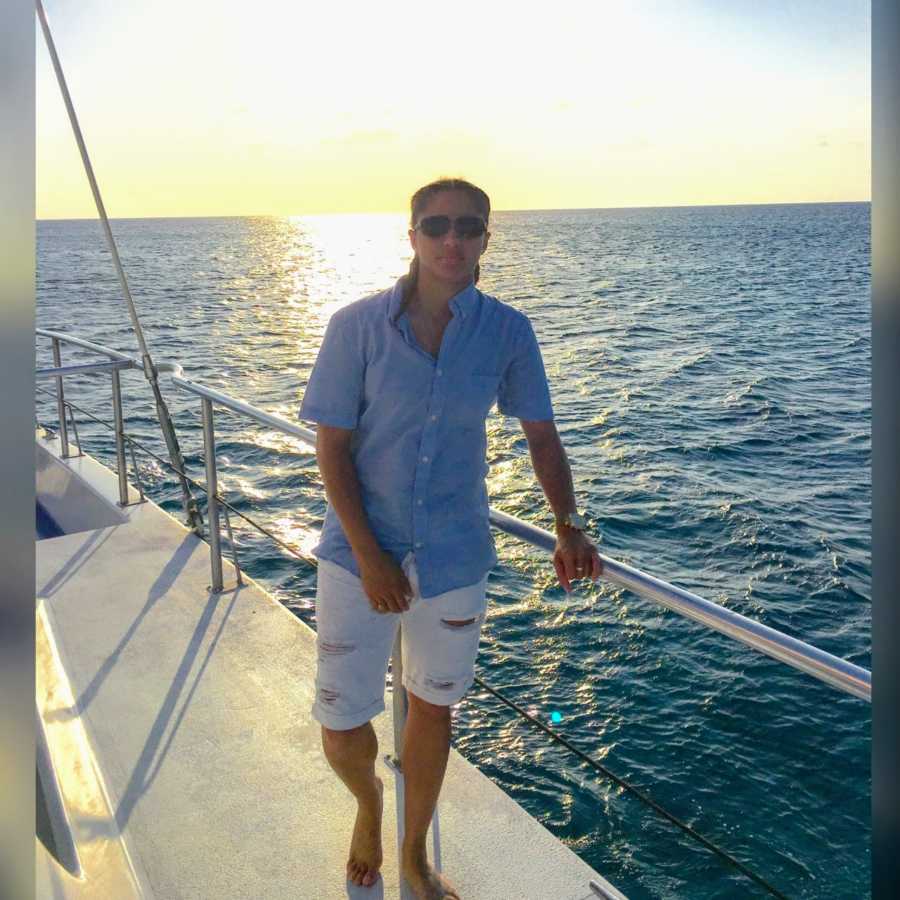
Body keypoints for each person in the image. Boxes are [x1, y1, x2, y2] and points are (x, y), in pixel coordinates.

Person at [299, 177, 602, 899]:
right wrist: (371, 556)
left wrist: (566, 521)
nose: (451, 240)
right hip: (355, 555)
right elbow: (331, 448)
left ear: (486, 239)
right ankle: (369, 802)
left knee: (434, 706)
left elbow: (541, 435)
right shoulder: (356, 327)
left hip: (456, 553)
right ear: (411, 237)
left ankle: (412, 856)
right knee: (342, 724)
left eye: (468, 226)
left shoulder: (507, 331)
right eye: (436, 226)